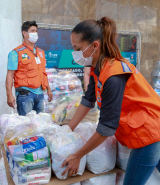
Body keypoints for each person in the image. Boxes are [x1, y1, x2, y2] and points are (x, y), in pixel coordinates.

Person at [61, 17, 160, 185]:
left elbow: (106, 127)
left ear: (95, 46)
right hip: (147, 129)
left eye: (77, 48)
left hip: (149, 134)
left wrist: (78, 155)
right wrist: (66, 130)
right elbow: (88, 100)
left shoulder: (114, 75)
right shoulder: (97, 68)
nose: (75, 54)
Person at [6, 21, 53, 116]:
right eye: (32, 31)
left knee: (39, 125)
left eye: (36, 31)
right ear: (24, 33)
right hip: (25, 95)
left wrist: (49, 89)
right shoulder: (16, 53)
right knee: (26, 127)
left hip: (40, 94)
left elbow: (43, 72)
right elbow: (10, 75)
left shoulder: (40, 52)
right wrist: (9, 95)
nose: (35, 33)